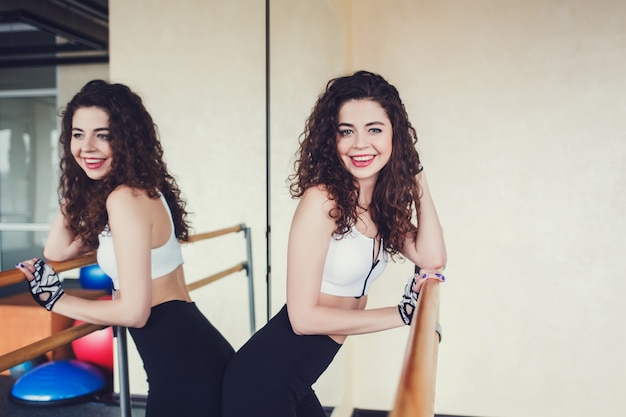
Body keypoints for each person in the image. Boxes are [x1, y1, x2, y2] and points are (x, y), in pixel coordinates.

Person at [221, 70, 447, 417]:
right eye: (346, 131)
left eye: (374, 129)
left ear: (394, 137)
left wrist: (418, 181)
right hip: (261, 384)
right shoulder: (323, 201)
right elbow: (302, 319)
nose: (360, 144)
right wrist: (401, 314)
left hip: (294, 383)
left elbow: (432, 257)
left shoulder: (381, 206)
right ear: (332, 138)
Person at [16, 80, 234, 417]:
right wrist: (76, 180)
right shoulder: (132, 191)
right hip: (184, 352)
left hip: (183, 365)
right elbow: (57, 251)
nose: (87, 146)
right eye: (78, 134)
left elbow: (134, 312)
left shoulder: (125, 200)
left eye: (103, 135)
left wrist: (56, 299)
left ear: (127, 139)